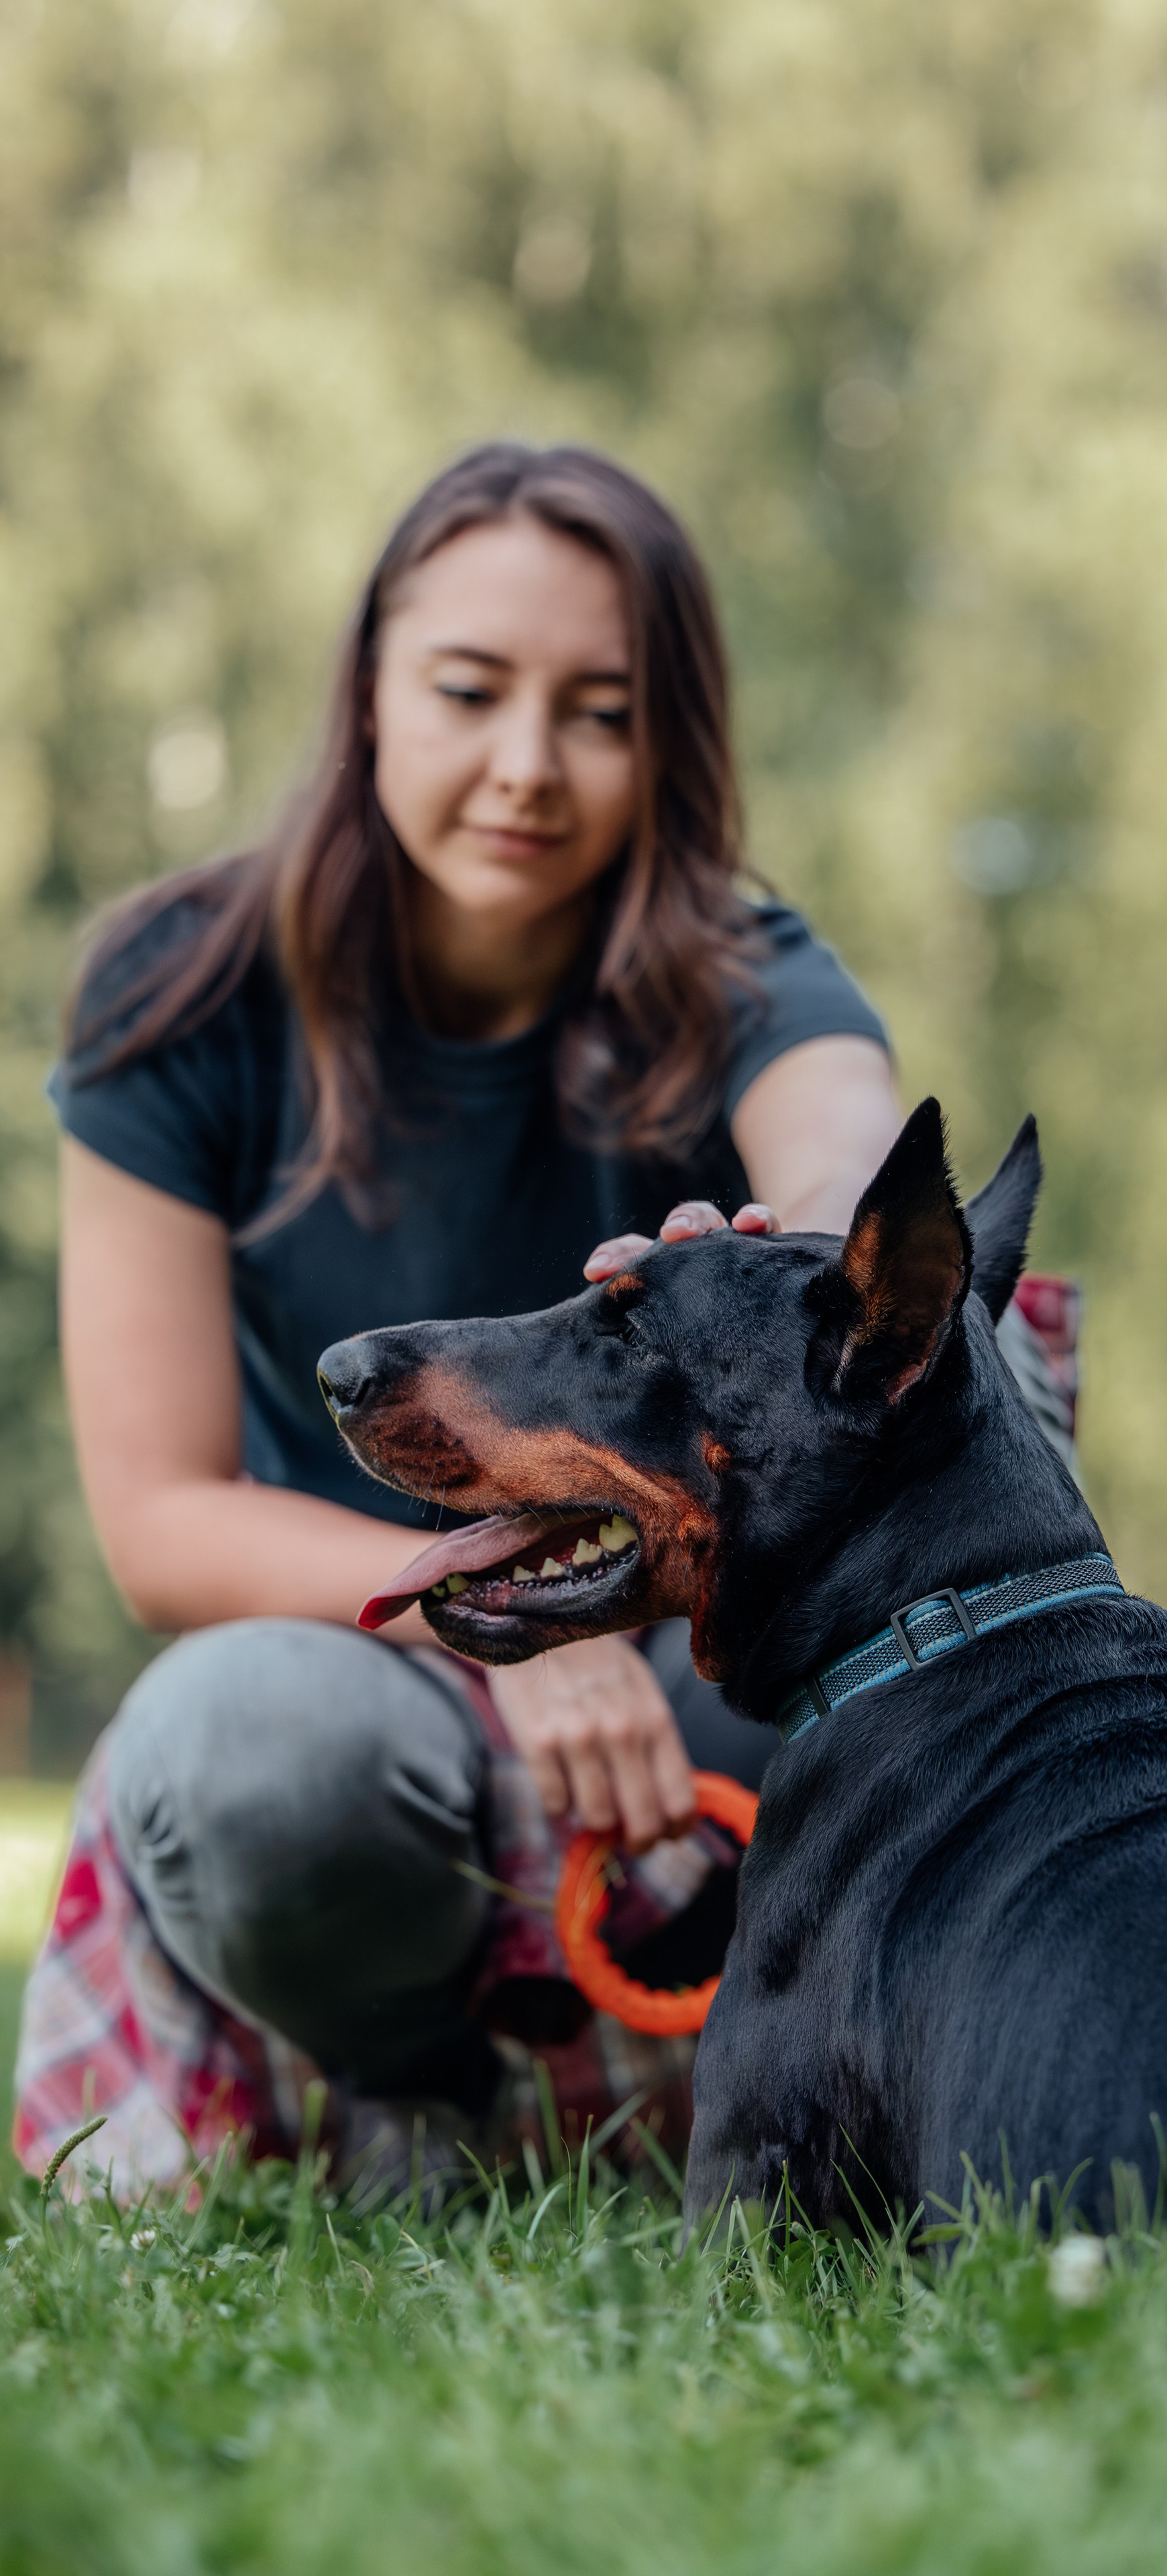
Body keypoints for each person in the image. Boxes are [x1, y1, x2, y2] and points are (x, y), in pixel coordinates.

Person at [13, 442, 910, 2196]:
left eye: (598, 711)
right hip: (366, 1666)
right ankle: (405, 2098)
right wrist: (507, 1613)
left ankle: (800, 2117)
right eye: (469, 690)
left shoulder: (741, 970)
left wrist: (796, 1239)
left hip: (694, 1661)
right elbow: (160, 1521)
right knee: (249, 1754)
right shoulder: (177, 996)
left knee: (888, 1698)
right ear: (367, 697)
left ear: (672, 743)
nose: (526, 767)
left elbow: (857, 1167)